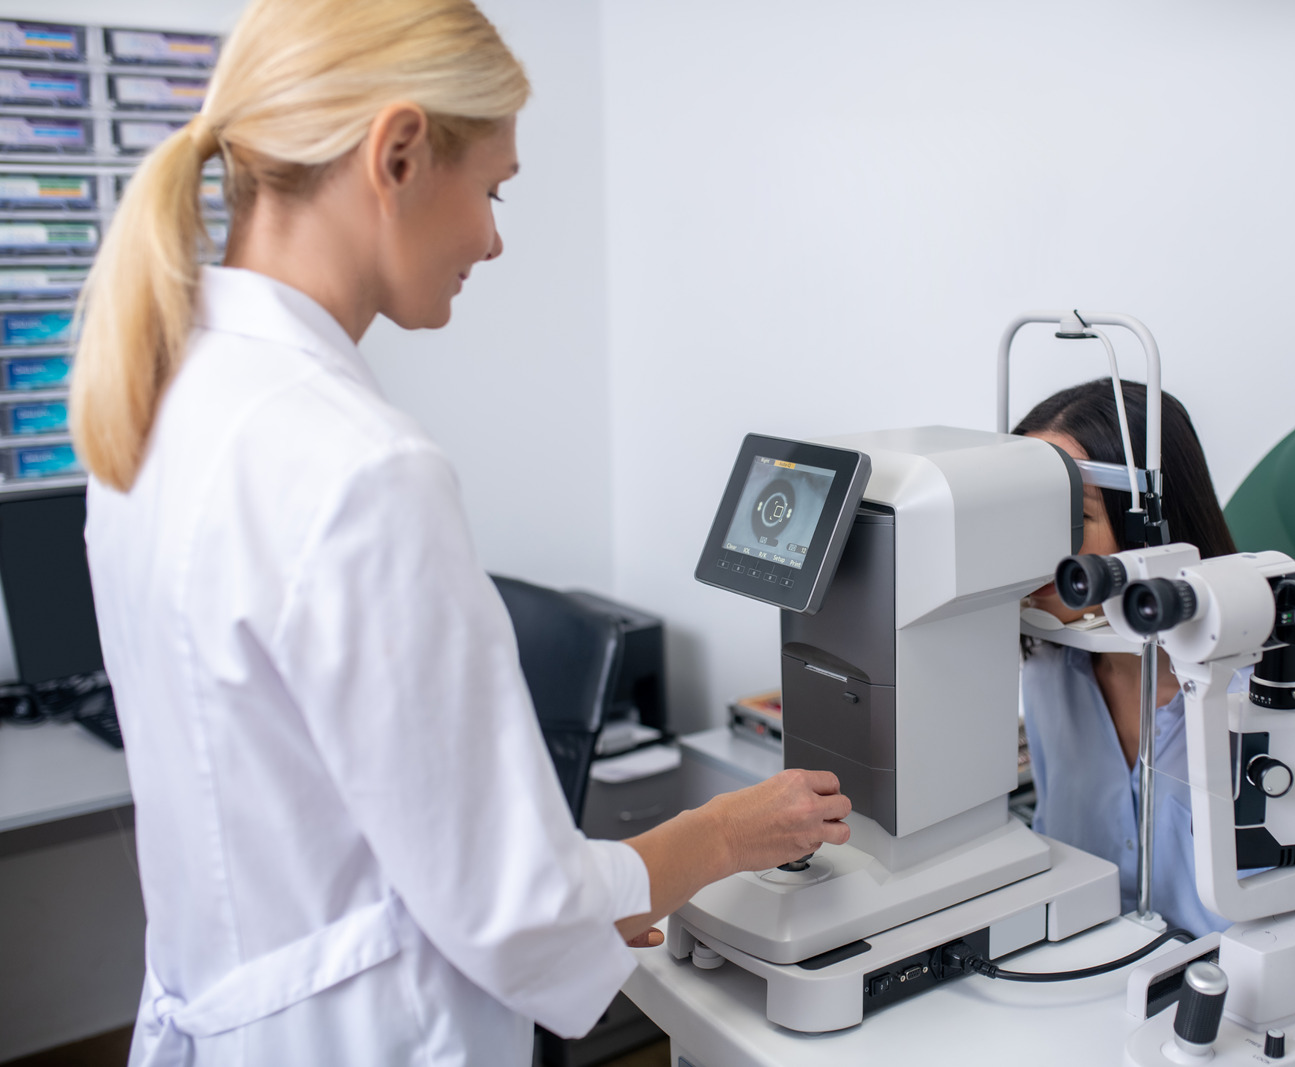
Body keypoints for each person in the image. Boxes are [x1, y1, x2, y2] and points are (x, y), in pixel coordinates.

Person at [69, 2, 850, 1063]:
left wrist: (586, 896)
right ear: (395, 153)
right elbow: (514, 905)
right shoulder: (362, 466)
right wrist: (721, 835)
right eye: (490, 190)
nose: (491, 236)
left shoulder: (162, 393)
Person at [1013, 379, 1295, 936]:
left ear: (1153, 532)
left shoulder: (1269, 713)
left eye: (1077, 514)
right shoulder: (1050, 669)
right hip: (1080, 970)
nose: (1039, 544)